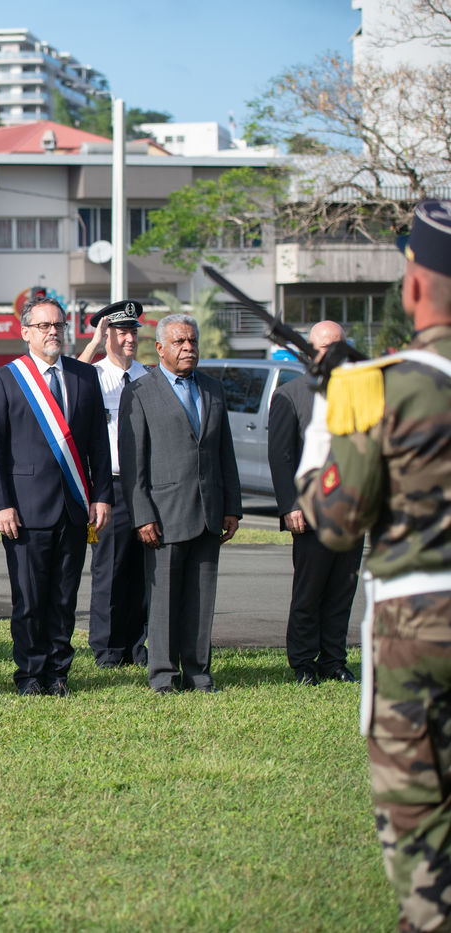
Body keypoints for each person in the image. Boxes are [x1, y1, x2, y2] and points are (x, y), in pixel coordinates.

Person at [297, 199, 451, 932]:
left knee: (420, 819)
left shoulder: (382, 386)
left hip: (416, 623)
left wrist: (332, 412)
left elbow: (334, 521)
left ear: (414, 285)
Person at [0, 295, 111, 697]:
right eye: (43, 326)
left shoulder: (84, 376)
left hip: (74, 506)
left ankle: (58, 674)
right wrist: (0, 503)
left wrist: (102, 495)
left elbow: (98, 443)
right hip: (23, 509)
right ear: (25, 332)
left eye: (58, 325)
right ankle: (30, 675)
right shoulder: (5, 378)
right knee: (29, 599)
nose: (52, 332)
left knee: (64, 597)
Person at [118, 312, 241, 694]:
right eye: (179, 342)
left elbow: (224, 451)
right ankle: (163, 676)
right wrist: (142, 515)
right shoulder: (140, 391)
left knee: (202, 598)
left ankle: (199, 674)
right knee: (165, 600)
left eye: (192, 341)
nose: (188, 348)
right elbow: (133, 461)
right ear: (159, 348)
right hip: (163, 513)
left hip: (209, 510)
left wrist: (232, 507)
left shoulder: (212, 389)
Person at [268, 319, 360, 686]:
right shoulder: (291, 394)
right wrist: (290, 505)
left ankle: (334, 661)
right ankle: (304, 662)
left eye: (338, 345)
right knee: (309, 591)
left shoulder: (360, 392)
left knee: (342, 591)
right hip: (310, 511)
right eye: (323, 347)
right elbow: (281, 457)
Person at [85, 300, 151, 669]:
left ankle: (137, 645)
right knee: (108, 568)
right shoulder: (92, 375)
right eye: (121, 331)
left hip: (145, 484)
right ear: (107, 334)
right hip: (108, 486)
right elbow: (60, 383)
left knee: (143, 568)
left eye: (133, 331)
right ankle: (108, 648)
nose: (129, 338)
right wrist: (93, 344)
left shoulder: (149, 377)